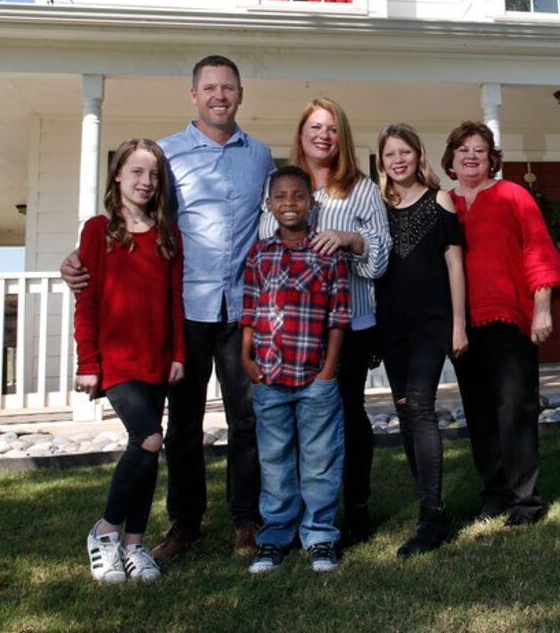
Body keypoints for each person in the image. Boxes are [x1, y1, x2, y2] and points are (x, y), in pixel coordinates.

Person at [63, 55, 275, 562]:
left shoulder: (261, 156)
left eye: (228, 88)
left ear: (240, 95)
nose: (219, 95)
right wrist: (78, 259)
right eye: (209, 87)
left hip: (242, 308)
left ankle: (247, 520)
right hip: (187, 309)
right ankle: (185, 524)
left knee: (247, 419)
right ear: (194, 95)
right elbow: (134, 219)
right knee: (183, 424)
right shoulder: (169, 155)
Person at [260, 98, 389, 546]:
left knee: (347, 416)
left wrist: (350, 238)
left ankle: (354, 508)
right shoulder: (281, 185)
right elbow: (265, 243)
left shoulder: (361, 189)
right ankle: (298, 516)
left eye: (332, 128)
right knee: (292, 424)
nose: (323, 135)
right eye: (315, 127)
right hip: (290, 329)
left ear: (342, 137)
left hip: (350, 323)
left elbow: (381, 257)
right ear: (301, 133)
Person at [442, 121, 560, 527]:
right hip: (462, 324)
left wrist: (542, 306)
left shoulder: (513, 195)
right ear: (451, 158)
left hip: (509, 321)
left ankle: (524, 502)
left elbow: (538, 250)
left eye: (480, 149)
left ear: (491, 158)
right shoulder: (443, 204)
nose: (471, 155)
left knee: (515, 409)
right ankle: (494, 496)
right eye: (463, 149)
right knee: (479, 414)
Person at [73, 138, 186, 583]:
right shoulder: (97, 230)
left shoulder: (167, 233)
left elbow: (173, 299)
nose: (146, 182)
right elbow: (87, 301)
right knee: (148, 439)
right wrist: (88, 361)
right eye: (136, 172)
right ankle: (104, 533)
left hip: (157, 356)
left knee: (146, 451)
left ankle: (135, 546)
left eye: (154, 175)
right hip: (117, 358)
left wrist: (178, 352)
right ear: (117, 175)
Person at [241, 166, 350, 574]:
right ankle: (275, 535)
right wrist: (245, 358)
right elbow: (249, 310)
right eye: (281, 197)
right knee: (275, 460)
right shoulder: (258, 254)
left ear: (311, 202)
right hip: (268, 376)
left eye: (299, 196)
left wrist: (328, 370)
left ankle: (320, 534)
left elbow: (340, 316)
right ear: (269, 205)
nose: (290, 203)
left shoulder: (327, 253)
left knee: (320, 457)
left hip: (314, 376)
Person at [373, 123, 467, 557]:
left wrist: (458, 324)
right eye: (390, 154)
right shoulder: (376, 207)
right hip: (392, 324)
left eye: (405, 152)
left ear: (417, 155)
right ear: (382, 161)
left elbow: (454, 266)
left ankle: (432, 514)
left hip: (432, 320)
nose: (398, 160)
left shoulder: (439, 199)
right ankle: (425, 504)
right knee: (405, 409)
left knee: (421, 404)